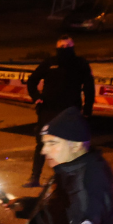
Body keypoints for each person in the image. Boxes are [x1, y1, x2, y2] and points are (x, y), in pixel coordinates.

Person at [24, 35, 94, 187]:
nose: (64, 50)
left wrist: (87, 110)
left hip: (69, 111)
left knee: (69, 146)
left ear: (72, 48)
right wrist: (36, 97)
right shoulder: (50, 63)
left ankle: (69, 180)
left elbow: (89, 87)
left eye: (67, 47)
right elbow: (32, 80)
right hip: (48, 110)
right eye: (61, 47)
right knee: (42, 143)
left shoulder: (80, 64)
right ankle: (34, 177)